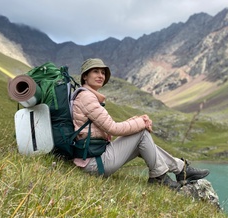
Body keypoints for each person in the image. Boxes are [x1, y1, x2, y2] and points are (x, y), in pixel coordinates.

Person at [72, 58, 209, 189]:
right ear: (85, 76)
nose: (101, 75)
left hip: (95, 158)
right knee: (142, 133)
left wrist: (137, 120)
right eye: (95, 71)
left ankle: (180, 170)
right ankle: (163, 176)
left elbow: (109, 126)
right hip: (94, 164)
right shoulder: (87, 98)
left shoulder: (87, 97)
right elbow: (113, 128)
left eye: (103, 73)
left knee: (142, 142)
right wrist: (141, 123)